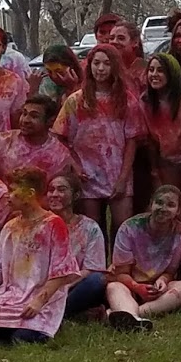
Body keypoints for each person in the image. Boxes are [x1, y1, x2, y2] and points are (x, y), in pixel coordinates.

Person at [0, 167, 79, 344]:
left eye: (12, 190)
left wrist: (38, 302)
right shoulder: (10, 226)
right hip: (10, 297)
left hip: (41, 296)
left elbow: (61, 272)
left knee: (21, 339)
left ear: (30, 193)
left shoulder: (54, 224)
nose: (7, 195)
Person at [52, 44, 146, 239]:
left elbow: (132, 140)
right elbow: (59, 137)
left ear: (115, 67)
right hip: (87, 173)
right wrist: (75, 166)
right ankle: (96, 267)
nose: (100, 69)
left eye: (106, 64)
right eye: (96, 63)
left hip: (118, 170)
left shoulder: (127, 101)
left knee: (122, 226)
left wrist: (123, 177)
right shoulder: (76, 100)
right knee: (93, 229)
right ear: (89, 66)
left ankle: (119, 267)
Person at [106, 185, 181, 331]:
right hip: (129, 285)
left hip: (157, 291)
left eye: (170, 205)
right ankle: (131, 315)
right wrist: (137, 287)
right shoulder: (129, 228)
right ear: (151, 204)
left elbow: (171, 271)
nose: (163, 208)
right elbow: (121, 273)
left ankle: (132, 314)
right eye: (159, 202)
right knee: (113, 287)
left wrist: (163, 281)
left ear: (178, 210)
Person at [42, 171, 107, 318]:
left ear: (75, 196)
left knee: (96, 281)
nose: (54, 194)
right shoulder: (39, 225)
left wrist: (63, 286)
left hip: (73, 286)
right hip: (42, 286)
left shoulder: (90, 227)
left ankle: (57, 313)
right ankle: (75, 314)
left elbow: (92, 268)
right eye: (51, 190)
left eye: (61, 190)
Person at [141, 53, 181, 192]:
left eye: (160, 70)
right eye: (151, 70)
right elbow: (151, 141)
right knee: (169, 196)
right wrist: (154, 170)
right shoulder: (145, 101)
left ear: (172, 74)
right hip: (166, 160)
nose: (154, 74)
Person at [0, 96, 80, 183]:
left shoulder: (60, 155)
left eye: (34, 116)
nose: (25, 120)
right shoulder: (3, 141)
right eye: (24, 114)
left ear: (50, 121)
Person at [109, 20, 148, 93]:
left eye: (121, 38)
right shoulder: (107, 68)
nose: (114, 41)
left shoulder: (146, 71)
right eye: (111, 38)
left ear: (135, 42)